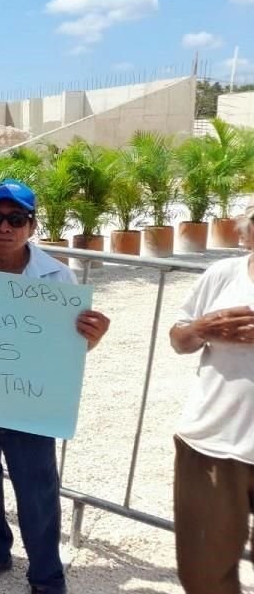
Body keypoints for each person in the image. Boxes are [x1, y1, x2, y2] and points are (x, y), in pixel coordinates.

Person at [0, 179, 110, 593]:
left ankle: (46, 577)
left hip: (29, 406)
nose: (5, 227)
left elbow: (69, 350)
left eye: (16, 218)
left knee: (37, 493)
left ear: (32, 225)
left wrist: (90, 338)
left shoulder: (57, 278)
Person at [168, 195, 254, 594]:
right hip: (212, 445)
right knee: (202, 576)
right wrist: (201, 328)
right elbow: (179, 338)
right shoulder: (222, 275)